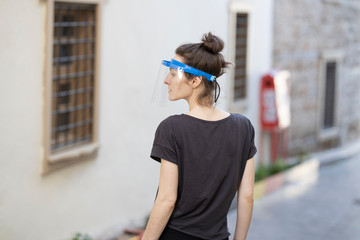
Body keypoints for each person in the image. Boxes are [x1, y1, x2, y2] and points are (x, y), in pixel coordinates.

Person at [141, 32, 257, 240]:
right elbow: (247, 196)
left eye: (173, 73)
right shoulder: (244, 127)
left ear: (195, 80)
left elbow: (167, 200)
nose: (166, 80)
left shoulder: (172, 129)